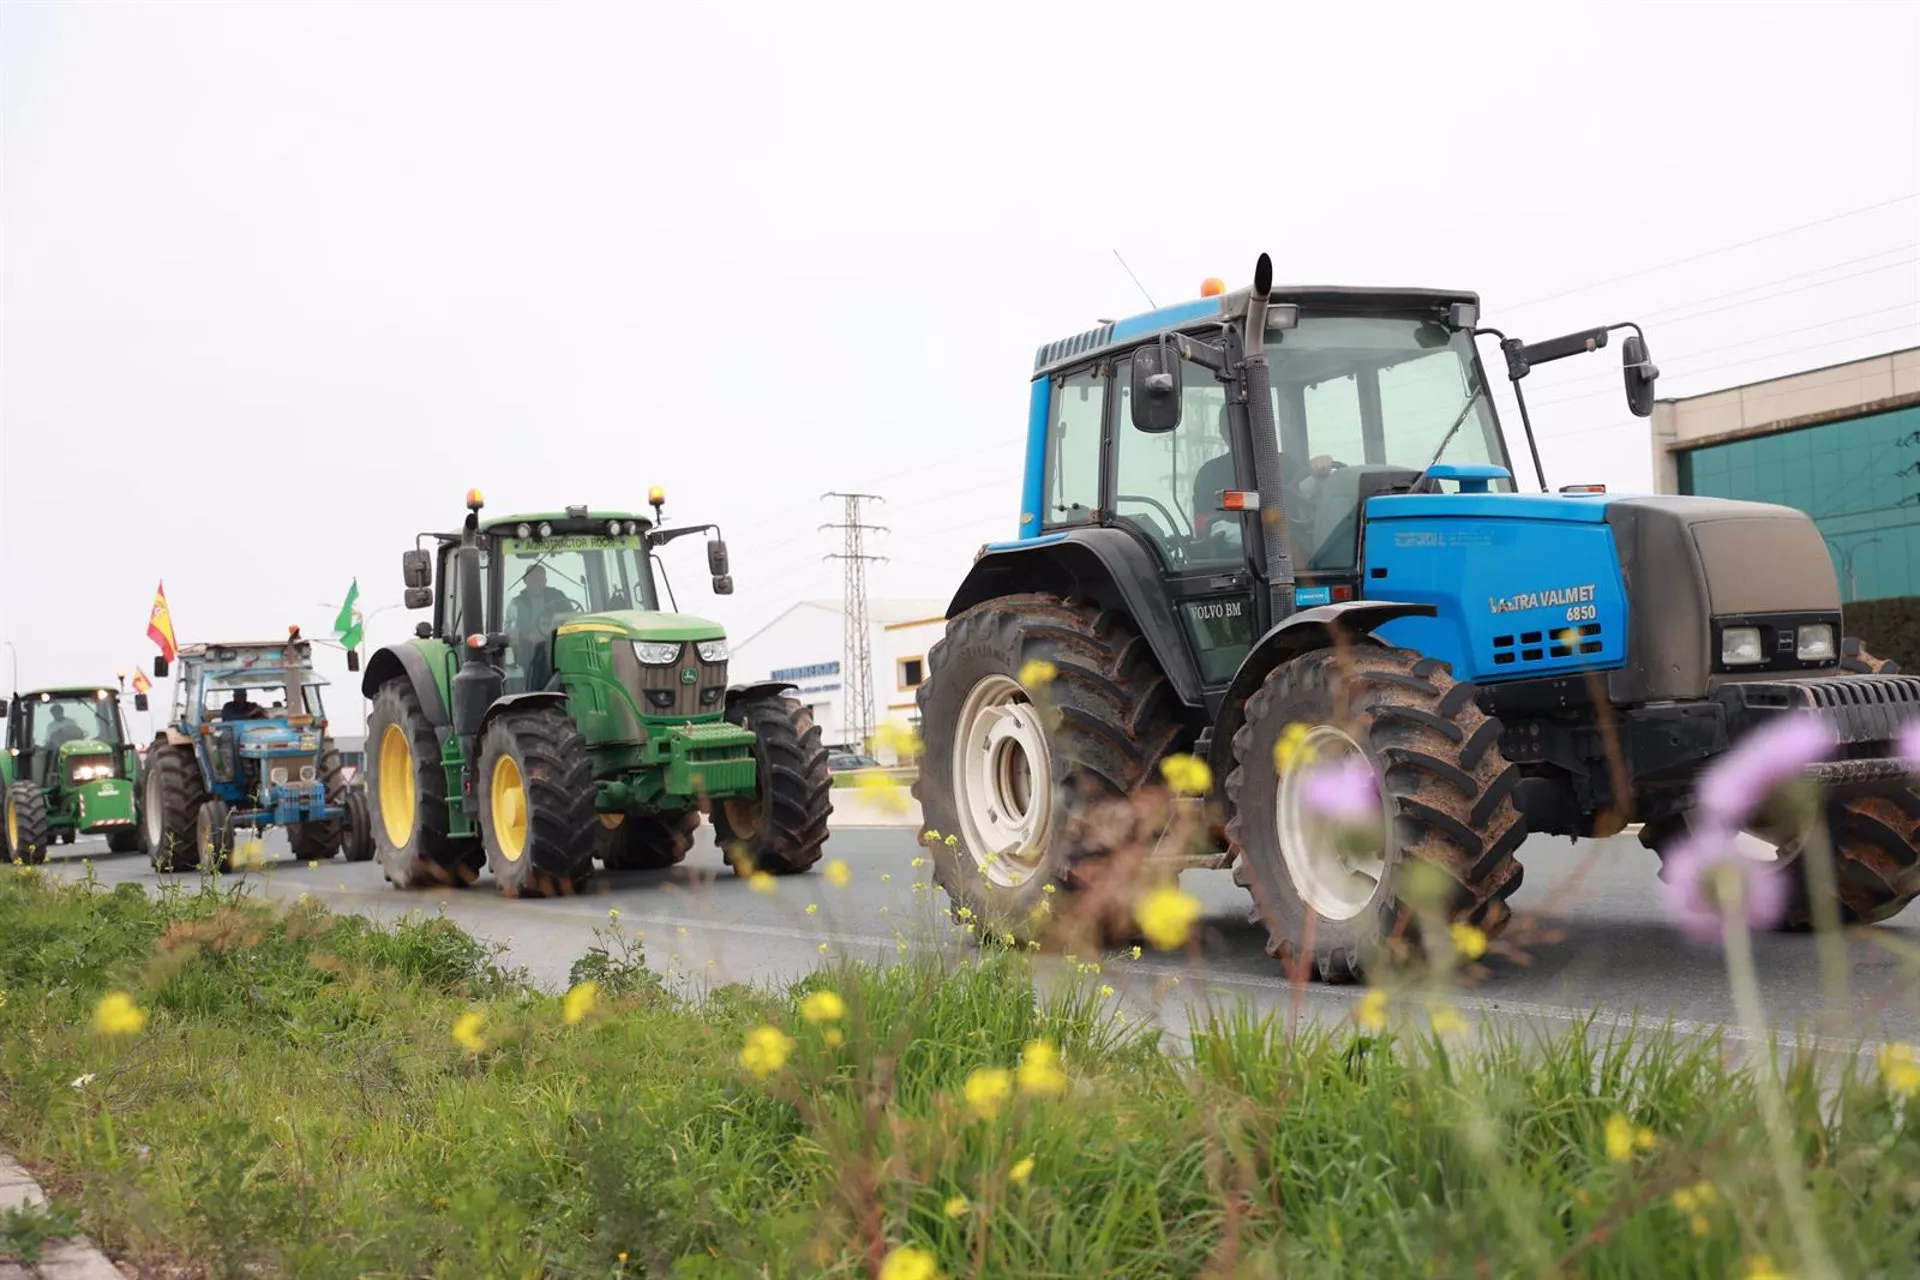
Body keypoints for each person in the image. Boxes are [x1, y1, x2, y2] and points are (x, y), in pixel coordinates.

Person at [1191, 407, 1336, 540]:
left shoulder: (1284, 463)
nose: (1248, 432)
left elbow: (1305, 493)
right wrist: (1243, 535)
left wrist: (1320, 472)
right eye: (1236, 428)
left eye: (1253, 426)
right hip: (1239, 561)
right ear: (1224, 433)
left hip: (1291, 549)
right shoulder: (1211, 473)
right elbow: (1205, 527)